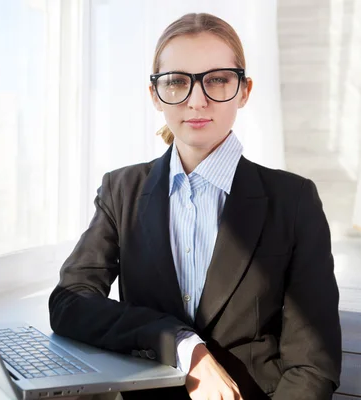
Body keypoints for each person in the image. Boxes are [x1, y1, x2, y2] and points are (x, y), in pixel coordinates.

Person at [48, 12, 341, 400]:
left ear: (244, 90)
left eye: (217, 79)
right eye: (177, 82)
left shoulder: (294, 200)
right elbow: (70, 302)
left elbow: (313, 364)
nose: (197, 100)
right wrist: (184, 345)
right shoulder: (122, 190)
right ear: (156, 94)